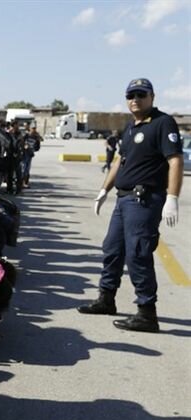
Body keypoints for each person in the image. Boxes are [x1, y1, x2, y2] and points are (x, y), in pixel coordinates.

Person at [78, 78, 183, 333]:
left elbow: (175, 160)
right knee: (112, 250)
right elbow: (120, 162)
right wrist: (105, 189)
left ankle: (147, 313)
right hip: (123, 199)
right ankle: (106, 299)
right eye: (130, 95)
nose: (134, 99)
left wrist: (172, 197)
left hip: (144, 200)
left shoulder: (162, 122)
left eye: (140, 94)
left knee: (138, 253)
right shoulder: (131, 127)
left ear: (152, 97)